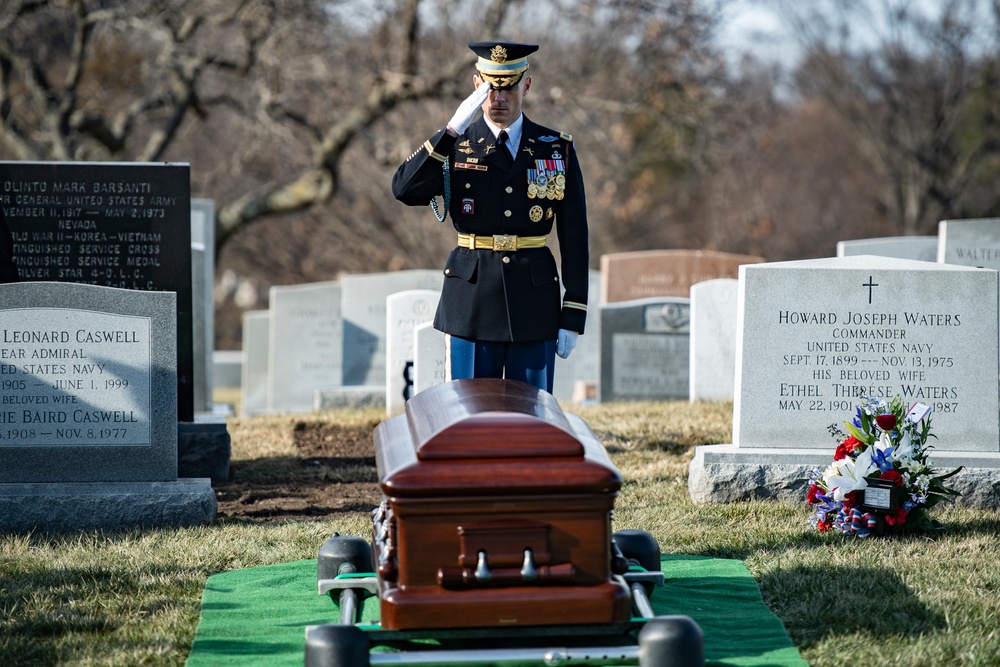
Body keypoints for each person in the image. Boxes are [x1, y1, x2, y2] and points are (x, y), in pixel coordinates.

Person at [391, 41, 588, 394]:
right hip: (472, 301)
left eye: (508, 86)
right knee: (469, 417)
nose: (499, 97)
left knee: (532, 421)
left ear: (526, 85)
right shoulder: (456, 145)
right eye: (490, 86)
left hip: (533, 301)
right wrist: (450, 130)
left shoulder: (555, 148)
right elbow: (404, 189)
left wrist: (573, 314)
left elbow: (575, 236)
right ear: (476, 84)